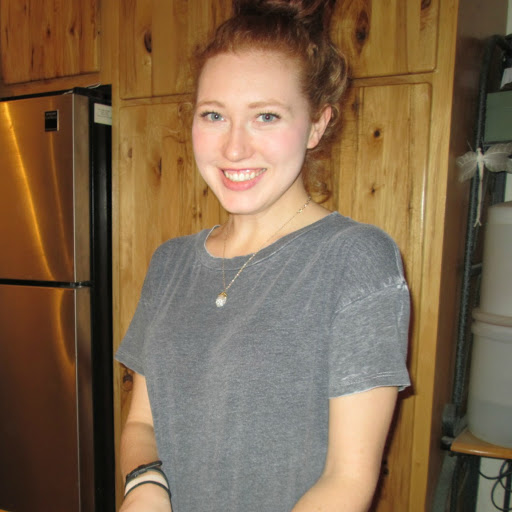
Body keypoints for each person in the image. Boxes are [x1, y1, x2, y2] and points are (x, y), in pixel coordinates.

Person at [116, 1, 411, 511]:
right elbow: (142, 422)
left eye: (266, 116)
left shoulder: (357, 261)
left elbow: (346, 481)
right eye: (214, 115)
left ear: (317, 125)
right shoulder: (170, 263)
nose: (234, 148)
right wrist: (145, 487)